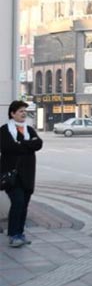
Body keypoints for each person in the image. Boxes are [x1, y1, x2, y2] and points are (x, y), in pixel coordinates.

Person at [1, 101, 43, 248]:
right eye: (20, 111)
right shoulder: (5, 130)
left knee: (24, 205)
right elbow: (6, 147)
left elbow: (38, 144)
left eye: (25, 111)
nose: (24, 113)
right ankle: (13, 235)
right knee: (17, 202)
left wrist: (20, 145)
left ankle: (20, 233)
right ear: (12, 113)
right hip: (12, 175)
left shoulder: (29, 129)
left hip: (28, 174)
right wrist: (27, 145)